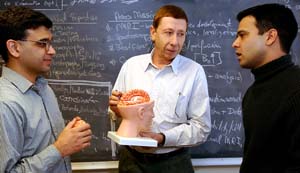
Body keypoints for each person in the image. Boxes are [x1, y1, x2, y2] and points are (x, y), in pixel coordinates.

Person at [109, 4, 211, 173]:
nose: (175, 42)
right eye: (168, 33)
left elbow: (201, 128)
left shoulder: (194, 72)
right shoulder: (131, 66)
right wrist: (116, 109)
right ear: (153, 33)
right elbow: (116, 111)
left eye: (181, 34)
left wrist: (163, 139)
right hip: (131, 161)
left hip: (174, 162)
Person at [0, 6, 92, 173]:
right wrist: (60, 149)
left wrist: (69, 137)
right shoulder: (4, 103)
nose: (52, 51)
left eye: (50, 43)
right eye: (42, 44)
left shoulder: (44, 89)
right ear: (14, 48)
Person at [232, 3, 300, 173]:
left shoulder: (296, 91)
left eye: (243, 35)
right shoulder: (253, 92)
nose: (235, 43)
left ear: (270, 37)